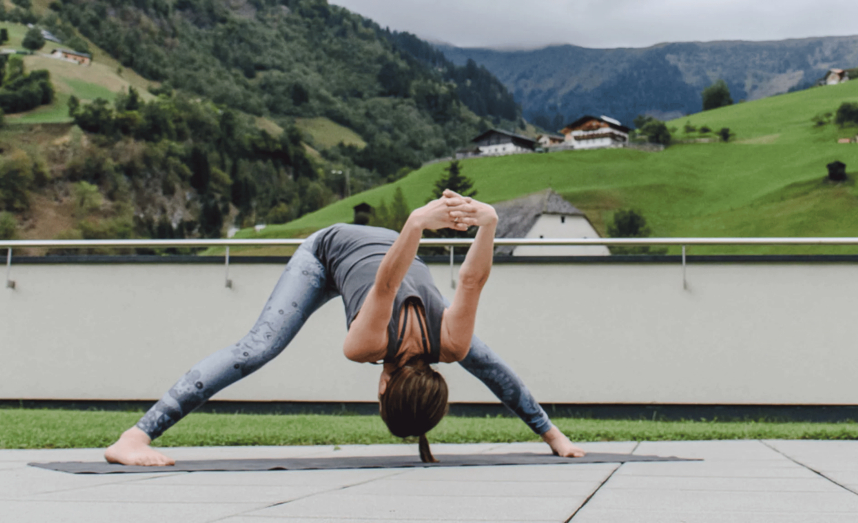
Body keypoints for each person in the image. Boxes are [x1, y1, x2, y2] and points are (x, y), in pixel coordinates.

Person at [105, 189, 585, 466]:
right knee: (257, 348)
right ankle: (133, 438)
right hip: (325, 253)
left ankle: (552, 435)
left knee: (483, 361)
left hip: (380, 254)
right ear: (383, 388)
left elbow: (409, 282)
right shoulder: (415, 343)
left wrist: (458, 225)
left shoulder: (403, 345)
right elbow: (415, 282)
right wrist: (476, 223)